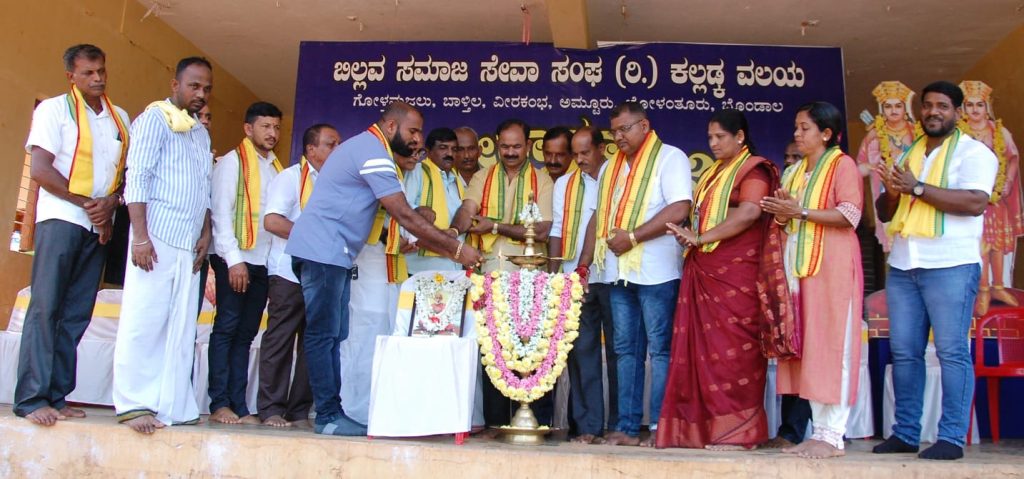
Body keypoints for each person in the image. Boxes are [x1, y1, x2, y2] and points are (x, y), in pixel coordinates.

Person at [286, 101, 483, 436]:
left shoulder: (373, 149)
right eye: (413, 131)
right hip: (322, 250)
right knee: (323, 335)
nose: (418, 139)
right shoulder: (373, 151)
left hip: (334, 254)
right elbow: (403, 214)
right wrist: (456, 249)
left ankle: (332, 413)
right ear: (391, 126)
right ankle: (327, 416)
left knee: (334, 335)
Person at [873, 81, 997, 461]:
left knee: (951, 352)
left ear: (957, 113)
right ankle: (906, 433)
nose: (933, 112)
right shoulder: (909, 154)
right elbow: (885, 213)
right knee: (905, 352)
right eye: (927, 106)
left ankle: (951, 438)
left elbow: (975, 203)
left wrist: (917, 188)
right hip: (904, 264)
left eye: (942, 106)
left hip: (951, 265)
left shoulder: (975, 153)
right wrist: (894, 192)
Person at [16, 44, 130, 426]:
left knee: (77, 314)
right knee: (46, 308)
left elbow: (125, 175)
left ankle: (57, 395)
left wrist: (110, 204)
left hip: (98, 225)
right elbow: (41, 170)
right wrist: (85, 203)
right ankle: (32, 399)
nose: (98, 78)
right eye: (88, 73)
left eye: (101, 71)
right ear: (71, 76)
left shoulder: (119, 119)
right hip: (61, 219)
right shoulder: (53, 110)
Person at [657, 109, 780, 450]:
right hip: (706, 269)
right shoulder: (714, 173)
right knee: (704, 354)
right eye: (709, 137)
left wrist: (700, 238)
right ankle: (705, 431)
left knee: (733, 354)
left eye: (720, 137)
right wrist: (691, 235)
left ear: (740, 136)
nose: (712, 143)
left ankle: (740, 433)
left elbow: (750, 211)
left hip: (736, 275)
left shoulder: (754, 169)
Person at [113, 56, 214, 434]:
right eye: (194, 86)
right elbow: (137, 179)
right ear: (175, 85)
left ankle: (173, 404)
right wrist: (140, 237)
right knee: (145, 320)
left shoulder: (200, 133)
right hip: (155, 239)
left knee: (181, 326)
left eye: (206, 88)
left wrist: (206, 234)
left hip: (189, 245)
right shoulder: (153, 119)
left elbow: (203, 189)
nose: (200, 94)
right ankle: (133, 403)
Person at [761, 101, 864, 459]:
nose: (797, 134)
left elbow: (849, 215)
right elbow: (786, 221)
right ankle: (819, 432)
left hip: (833, 268)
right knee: (811, 350)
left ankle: (834, 435)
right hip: (800, 270)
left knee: (835, 347)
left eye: (805, 128)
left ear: (826, 133)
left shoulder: (842, 165)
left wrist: (799, 211)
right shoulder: (795, 172)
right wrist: (782, 213)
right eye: (796, 127)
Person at [590, 102, 691, 447]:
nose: (618, 137)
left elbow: (679, 208)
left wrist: (633, 237)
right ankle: (628, 427)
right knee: (625, 351)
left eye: (625, 129)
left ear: (644, 126)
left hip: (657, 272)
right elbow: (600, 216)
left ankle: (661, 426)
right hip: (618, 272)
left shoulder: (670, 158)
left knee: (660, 351)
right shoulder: (609, 168)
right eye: (613, 131)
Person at [451, 119, 556, 428]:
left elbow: (543, 230)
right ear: (496, 145)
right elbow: (467, 210)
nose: (510, 152)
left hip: (530, 279)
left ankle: (537, 421)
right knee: (493, 350)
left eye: (517, 146)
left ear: (529, 146)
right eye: (505, 146)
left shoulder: (542, 180)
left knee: (532, 349)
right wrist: (453, 232)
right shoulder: (483, 176)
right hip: (490, 275)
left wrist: (495, 226)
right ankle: (496, 423)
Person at [257, 123, 340, 428]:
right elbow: (272, 221)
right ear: (311, 150)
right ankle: (271, 409)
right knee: (280, 341)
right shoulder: (290, 178)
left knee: (313, 344)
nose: (337, 150)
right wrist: (313, 238)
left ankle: (299, 410)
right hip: (289, 274)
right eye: (330, 144)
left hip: (323, 274)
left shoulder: (336, 182)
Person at [208, 101, 284, 424]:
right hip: (235, 259)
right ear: (248, 128)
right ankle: (219, 404)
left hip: (262, 262)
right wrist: (234, 261)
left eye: (276, 127)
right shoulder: (231, 163)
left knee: (246, 334)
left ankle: (238, 404)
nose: (272, 133)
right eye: (265, 126)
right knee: (226, 329)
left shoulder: (276, 168)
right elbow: (220, 213)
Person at [549, 126, 617, 444]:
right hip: (575, 278)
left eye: (585, 152)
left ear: (602, 148)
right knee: (582, 353)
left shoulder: (619, 177)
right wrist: (554, 277)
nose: (579, 160)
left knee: (620, 352)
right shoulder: (564, 183)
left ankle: (620, 424)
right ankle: (588, 426)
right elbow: (557, 230)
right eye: (575, 154)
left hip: (613, 275)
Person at [958, 80, 1023, 315]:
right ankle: (983, 290)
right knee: (981, 246)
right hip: (973, 201)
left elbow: (1012, 158)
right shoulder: (958, 135)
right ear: (963, 109)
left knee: (997, 244)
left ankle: (999, 287)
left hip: (997, 200)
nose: (975, 109)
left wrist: (1007, 182)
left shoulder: (1000, 132)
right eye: (970, 104)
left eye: (980, 104)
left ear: (987, 107)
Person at [856, 81, 919, 252]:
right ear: (882, 109)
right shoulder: (874, 134)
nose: (893, 110)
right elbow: (859, 168)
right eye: (888, 106)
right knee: (893, 245)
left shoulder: (916, 132)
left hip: (913, 192)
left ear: (905, 108)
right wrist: (873, 165)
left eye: (898, 106)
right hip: (885, 193)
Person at [404, 127, 466, 274]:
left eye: (454, 149)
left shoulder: (457, 180)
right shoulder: (417, 172)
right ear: (428, 151)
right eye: (443, 148)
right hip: (422, 268)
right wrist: (419, 210)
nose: (449, 154)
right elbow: (402, 210)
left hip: (454, 266)